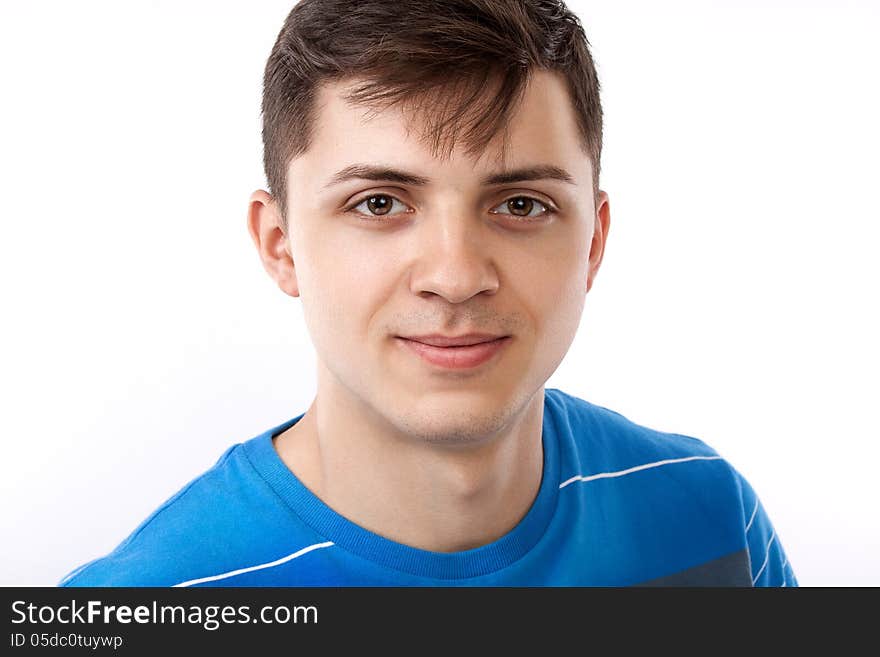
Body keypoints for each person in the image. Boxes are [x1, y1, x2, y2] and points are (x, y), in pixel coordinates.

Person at [59, 0, 797, 587]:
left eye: (520, 205)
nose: (454, 274)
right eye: (379, 203)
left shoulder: (713, 521)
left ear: (593, 243)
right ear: (279, 245)